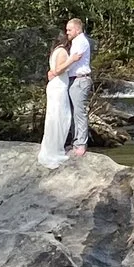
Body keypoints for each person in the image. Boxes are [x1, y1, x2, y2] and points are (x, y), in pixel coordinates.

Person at [38, 35, 73, 167]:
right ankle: (55, 149)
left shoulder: (55, 52)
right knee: (60, 117)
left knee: (54, 117)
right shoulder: (63, 51)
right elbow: (58, 70)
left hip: (55, 86)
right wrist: (72, 60)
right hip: (58, 87)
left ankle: (52, 147)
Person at [63, 15, 94, 157]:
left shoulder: (80, 41)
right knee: (74, 112)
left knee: (79, 112)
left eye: (69, 30)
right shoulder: (77, 41)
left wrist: (58, 70)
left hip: (80, 80)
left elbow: (73, 61)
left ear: (76, 29)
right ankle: (76, 141)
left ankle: (81, 143)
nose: (67, 32)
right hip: (74, 80)